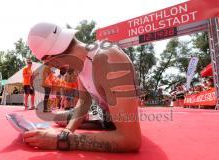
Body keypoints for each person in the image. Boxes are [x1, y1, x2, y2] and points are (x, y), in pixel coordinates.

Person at [24, 22, 141, 152]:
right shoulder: (80, 63)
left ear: (51, 59)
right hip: (105, 117)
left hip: (113, 120)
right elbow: (84, 102)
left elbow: (131, 139)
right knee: (59, 118)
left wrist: (61, 139)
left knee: (63, 118)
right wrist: (67, 131)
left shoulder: (108, 58)